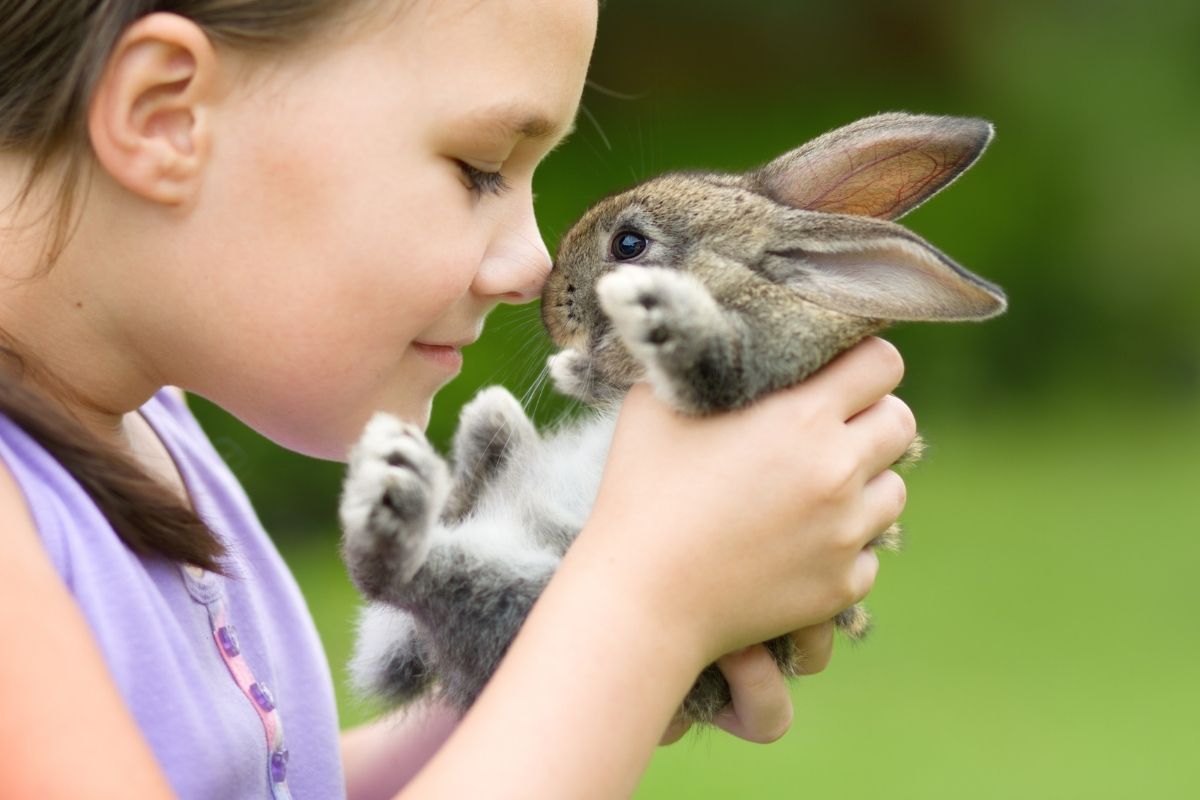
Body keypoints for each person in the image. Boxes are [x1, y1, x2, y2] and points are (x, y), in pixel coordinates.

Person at [0, 1, 917, 798]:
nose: (531, 265)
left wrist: (566, 665)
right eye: (479, 166)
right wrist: (643, 612)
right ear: (165, 116)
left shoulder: (141, 425)